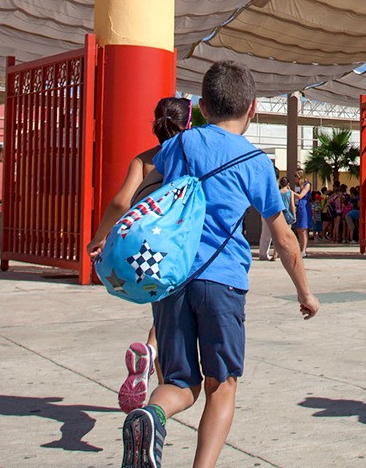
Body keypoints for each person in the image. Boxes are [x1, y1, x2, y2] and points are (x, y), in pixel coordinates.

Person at [87, 66, 320, 468]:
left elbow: (129, 197)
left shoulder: (179, 146)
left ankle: (151, 414)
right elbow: (284, 240)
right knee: (222, 385)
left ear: (202, 106)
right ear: (253, 108)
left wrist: (101, 237)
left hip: (171, 279)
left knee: (178, 383)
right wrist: (305, 292)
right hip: (222, 283)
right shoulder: (255, 162)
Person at [292, 174, 313, 256]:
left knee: (303, 229)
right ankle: (300, 248)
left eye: (296, 177)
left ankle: (303, 250)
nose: (295, 179)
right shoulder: (297, 186)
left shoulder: (307, 185)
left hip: (303, 207)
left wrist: (290, 192)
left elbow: (301, 196)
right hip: (297, 207)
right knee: (298, 229)